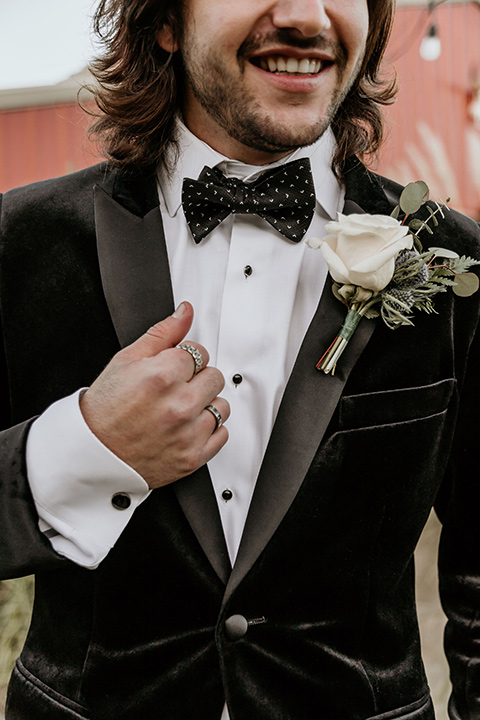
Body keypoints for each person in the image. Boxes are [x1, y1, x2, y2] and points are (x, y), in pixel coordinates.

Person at [0, 0, 479, 718]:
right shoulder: (20, 243)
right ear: (164, 22)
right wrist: (85, 448)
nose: (304, 16)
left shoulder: (456, 264)